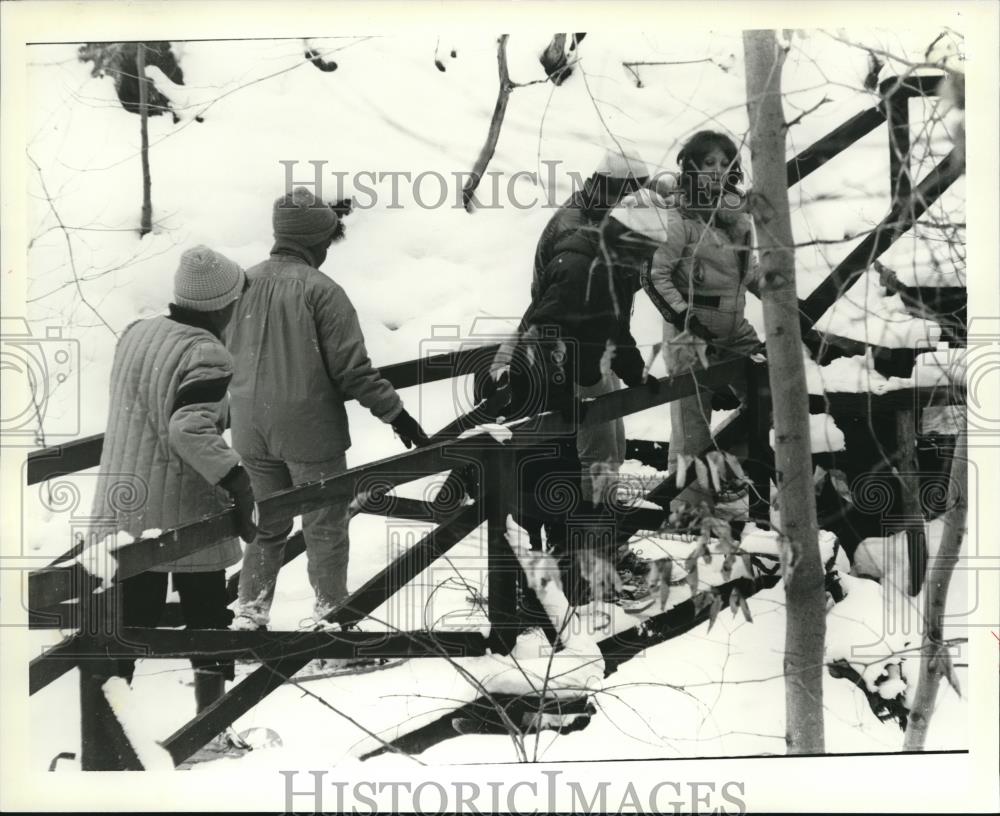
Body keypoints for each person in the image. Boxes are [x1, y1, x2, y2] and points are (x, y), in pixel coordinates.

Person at [228, 186, 430, 631]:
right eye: (325, 242)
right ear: (313, 241)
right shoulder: (322, 291)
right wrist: (396, 414)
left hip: (248, 427)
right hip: (307, 430)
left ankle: (249, 615)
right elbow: (352, 372)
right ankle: (332, 622)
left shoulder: (240, 284)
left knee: (267, 523)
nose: (326, 251)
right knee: (324, 526)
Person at [90, 245, 257, 716]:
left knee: (127, 624)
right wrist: (237, 480)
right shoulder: (208, 352)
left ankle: (109, 732)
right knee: (208, 623)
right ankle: (212, 725)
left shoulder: (136, 333)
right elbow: (188, 427)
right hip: (183, 515)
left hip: (125, 506)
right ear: (223, 304)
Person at [639, 130, 766, 507]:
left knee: (767, 397)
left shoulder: (739, 215)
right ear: (692, 165)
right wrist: (685, 318)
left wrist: (780, 293)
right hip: (690, 334)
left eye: (725, 163)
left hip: (735, 326)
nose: (718, 170)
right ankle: (687, 509)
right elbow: (654, 275)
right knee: (691, 425)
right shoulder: (678, 215)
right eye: (709, 162)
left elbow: (748, 268)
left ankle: (729, 475)